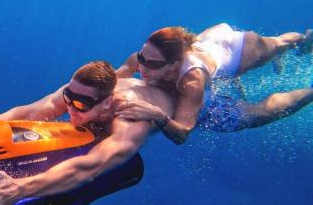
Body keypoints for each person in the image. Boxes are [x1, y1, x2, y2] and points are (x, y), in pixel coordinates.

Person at [0, 61, 173, 205]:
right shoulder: (79, 91)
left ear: (106, 103)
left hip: (184, 101)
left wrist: (20, 189)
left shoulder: (129, 118)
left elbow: (90, 166)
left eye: (81, 105)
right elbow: (26, 113)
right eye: (68, 99)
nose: (71, 109)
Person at [115, 23, 313, 144]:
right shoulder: (142, 59)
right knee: (276, 46)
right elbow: (114, 79)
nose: (142, 68)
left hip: (239, 50)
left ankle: (304, 40)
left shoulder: (192, 81)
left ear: (175, 64)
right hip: (209, 38)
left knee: (279, 46)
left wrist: (158, 116)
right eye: (141, 57)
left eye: (153, 64)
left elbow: (182, 134)